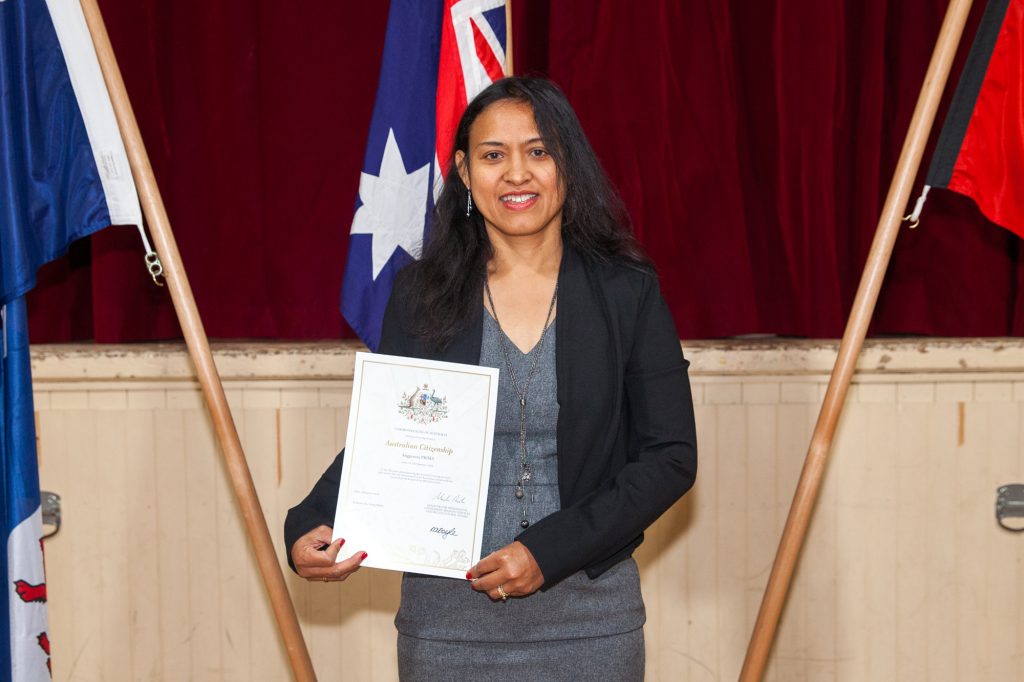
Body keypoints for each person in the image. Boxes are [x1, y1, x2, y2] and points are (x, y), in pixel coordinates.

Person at [284, 76, 697, 681]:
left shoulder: (626, 292)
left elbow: (669, 457)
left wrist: (547, 552)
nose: (517, 174)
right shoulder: (420, 296)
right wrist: (308, 524)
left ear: (567, 167)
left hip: (590, 622)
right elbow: (391, 441)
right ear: (464, 172)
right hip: (446, 629)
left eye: (538, 151)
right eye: (493, 155)